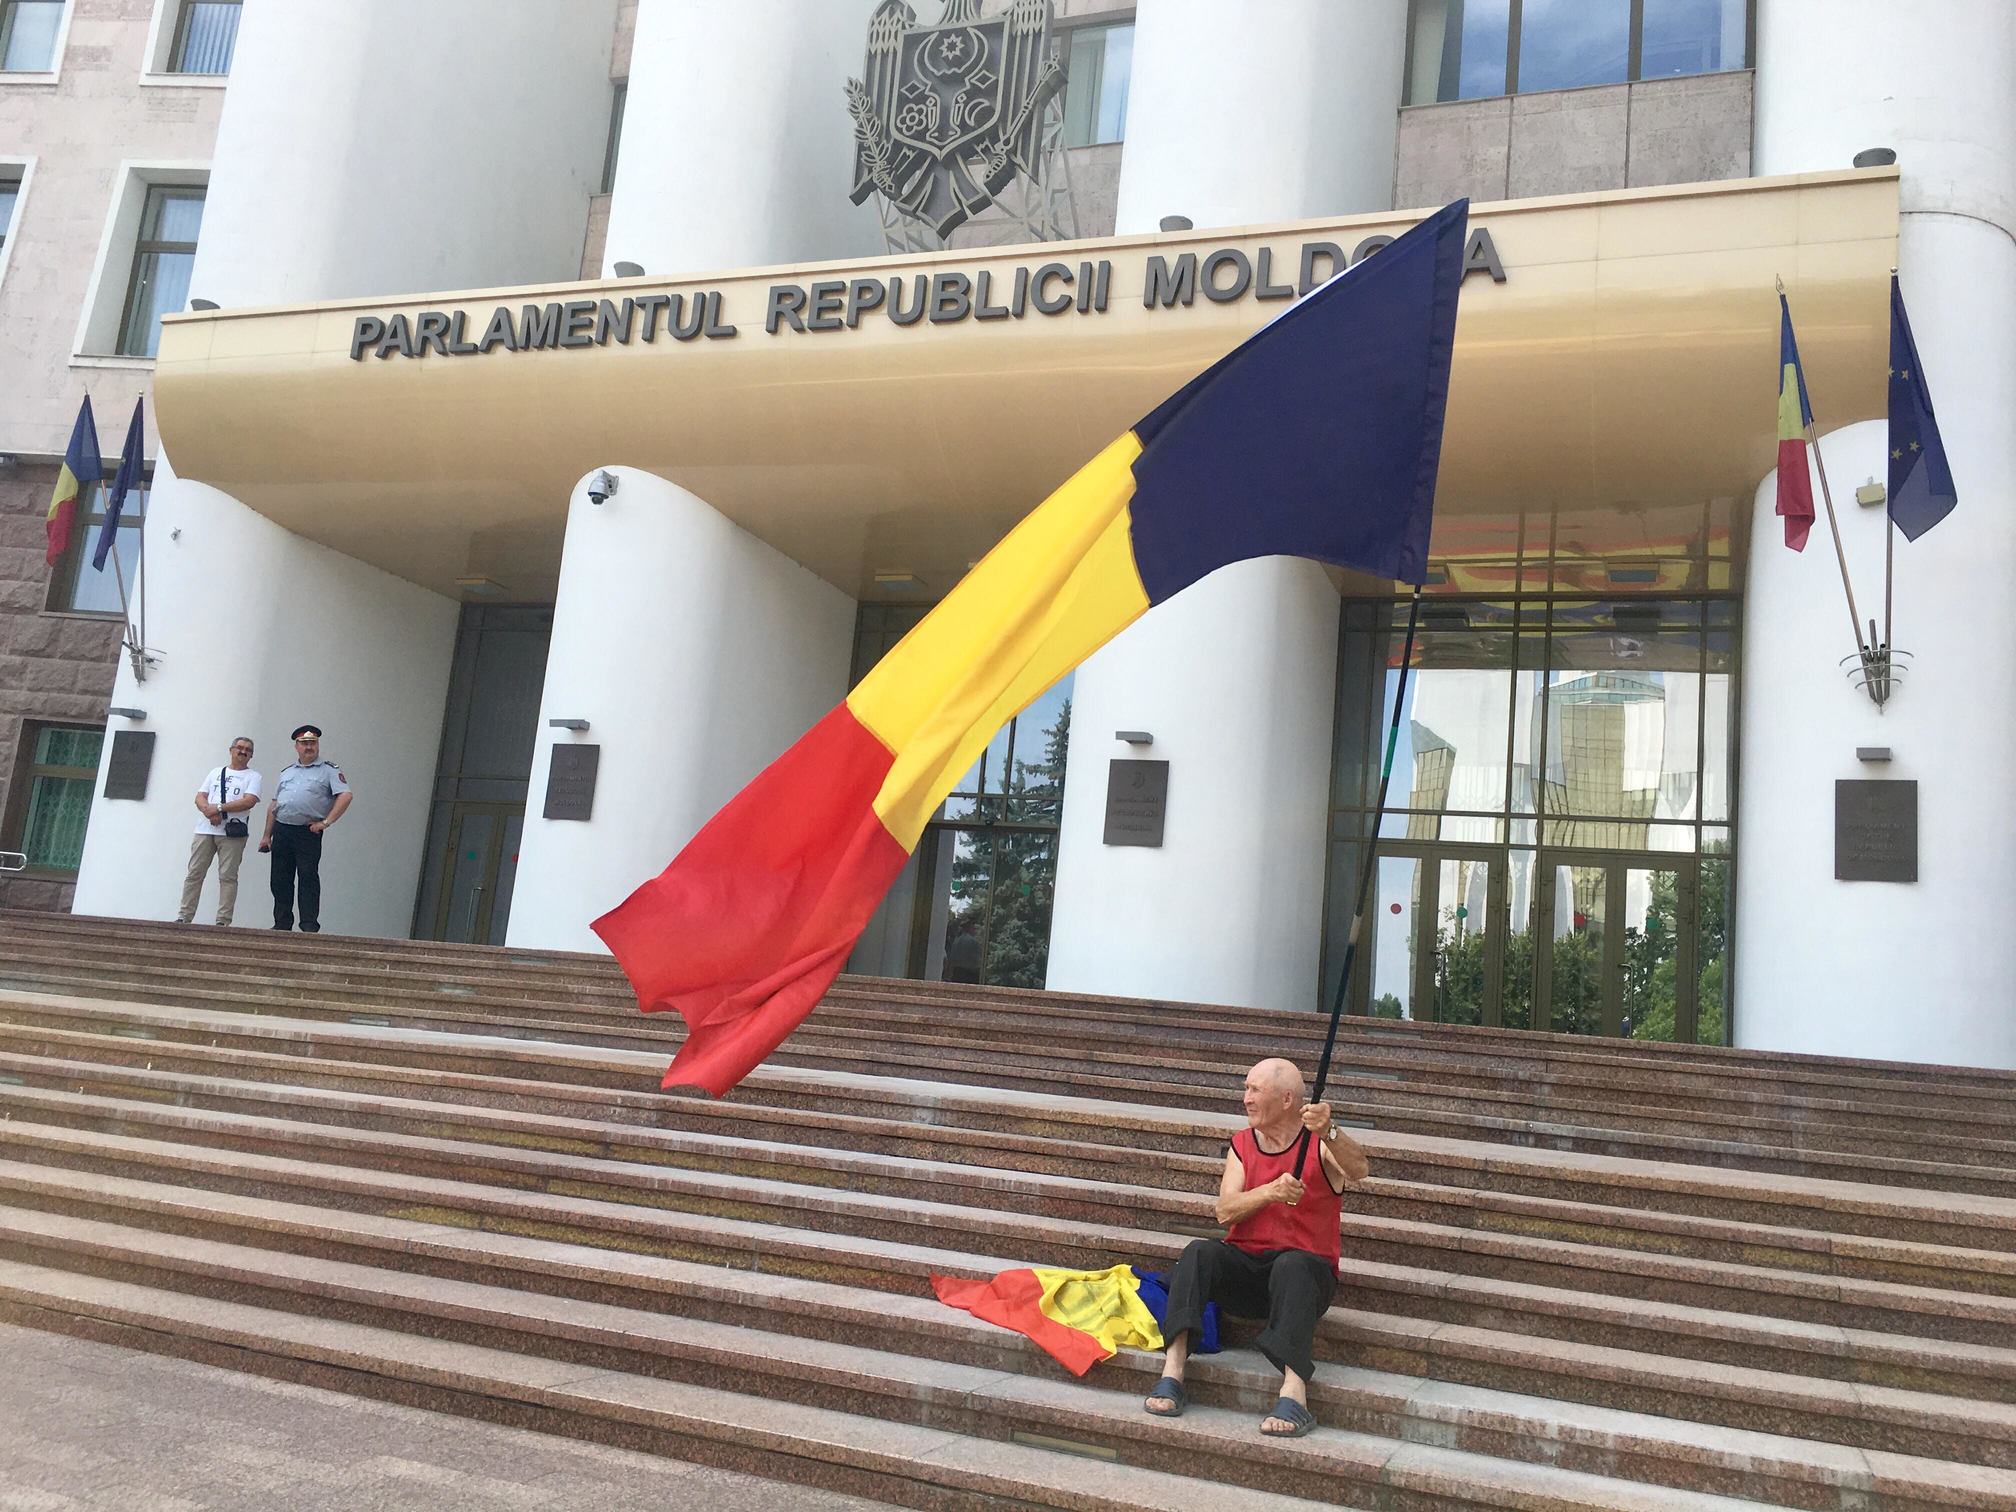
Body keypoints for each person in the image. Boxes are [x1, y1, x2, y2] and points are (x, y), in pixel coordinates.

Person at [1143, 1057, 1369, 1437]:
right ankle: (1173, 1371)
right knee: (1199, 1252)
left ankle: (1294, 1393)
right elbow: (1225, 1211)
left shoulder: (1319, 1144)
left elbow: (1359, 1169)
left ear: (1286, 1100)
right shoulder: (1242, 1144)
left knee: (1292, 1265)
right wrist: (1271, 1192)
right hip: (1247, 1272)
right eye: (1246, 1088)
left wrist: (1330, 1131)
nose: (1246, 1098)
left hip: (1304, 1280)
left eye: (1255, 1090)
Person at [260, 724, 352, 933]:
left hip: (307, 832)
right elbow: (275, 804)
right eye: (304, 743)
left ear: (317, 745)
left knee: (308, 876)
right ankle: (282, 923)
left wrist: (326, 822)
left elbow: (346, 796)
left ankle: (309, 925)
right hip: (282, 830)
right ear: (297, 747)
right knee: (280, 878)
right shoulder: (287, 772)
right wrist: (266, 835)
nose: (308, 747)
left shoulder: (329, 770)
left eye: (312, 743)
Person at [177, 736, 262, 926]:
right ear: (231, 750)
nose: (243, 751)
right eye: (239, 747)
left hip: (232, 833)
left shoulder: (253, 776)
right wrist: (208, 811)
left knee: (228, 876)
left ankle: (223, 920)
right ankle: (184, 915)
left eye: (248, 750)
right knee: (194, 873)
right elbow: (200, 796)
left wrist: (219, 809)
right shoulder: (215, 772)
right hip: (205, 830)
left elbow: (249, 801)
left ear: (251, 755)